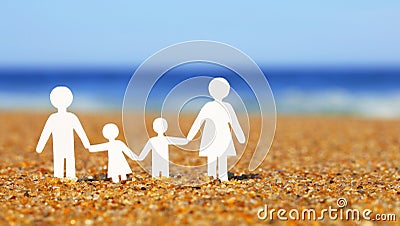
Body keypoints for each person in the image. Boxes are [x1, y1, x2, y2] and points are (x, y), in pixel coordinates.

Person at [187, 78, 245, 181]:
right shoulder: (224, 106)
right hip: (215, 134)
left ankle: (217, 176)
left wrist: (190, 136)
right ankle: (216, 176)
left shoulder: (212, 106)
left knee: (217, 156)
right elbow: (199, 120)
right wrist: (240, 137)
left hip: (219, 134)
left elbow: (199, 121)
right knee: (214, 156)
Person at [36, 86, 90, 179]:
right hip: (59, 146)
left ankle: (69, 176)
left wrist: (86, 143)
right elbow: (46, 132)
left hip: (67, 145)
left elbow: (79, 130)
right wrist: (40, 146)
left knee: (67, 160)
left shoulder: (68, 117)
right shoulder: (55, 117)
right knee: (60, 161)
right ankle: (59, 177)